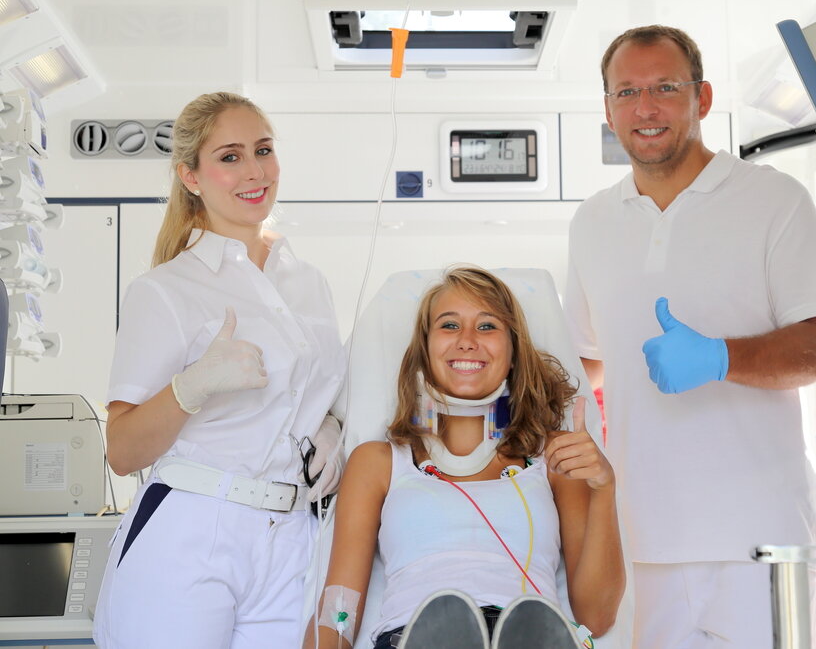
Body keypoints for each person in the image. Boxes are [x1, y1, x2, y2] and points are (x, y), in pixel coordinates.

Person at [564, 26, 816, 647]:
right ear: (608, 110)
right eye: (627, 92)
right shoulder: (592, 222)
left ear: (703, 98)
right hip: (639, 539)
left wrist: (720, 357)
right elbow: (584, 363)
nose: (646, 107)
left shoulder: (775, 200)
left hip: (761, 536)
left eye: (665, 87)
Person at [92, 92, 347, 648]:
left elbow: (314, 393)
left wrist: (331, 428)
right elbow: (123, 450)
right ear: (191, 176)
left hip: (293, 537)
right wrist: (192, 386)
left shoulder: (309, 282)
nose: (255, 171)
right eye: (230, 157)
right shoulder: (165, 289)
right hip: (193, 528)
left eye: (263, 150)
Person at [307, 267, 625, 649]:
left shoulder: (557, 457)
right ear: (424, 350)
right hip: (414, 635)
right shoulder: (377, 462)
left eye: (487, 326)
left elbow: (597, 617)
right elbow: (338, 610)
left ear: (513, 353)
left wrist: (604, 488)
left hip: (531, 633)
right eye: (449, 325)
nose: (468, 341)